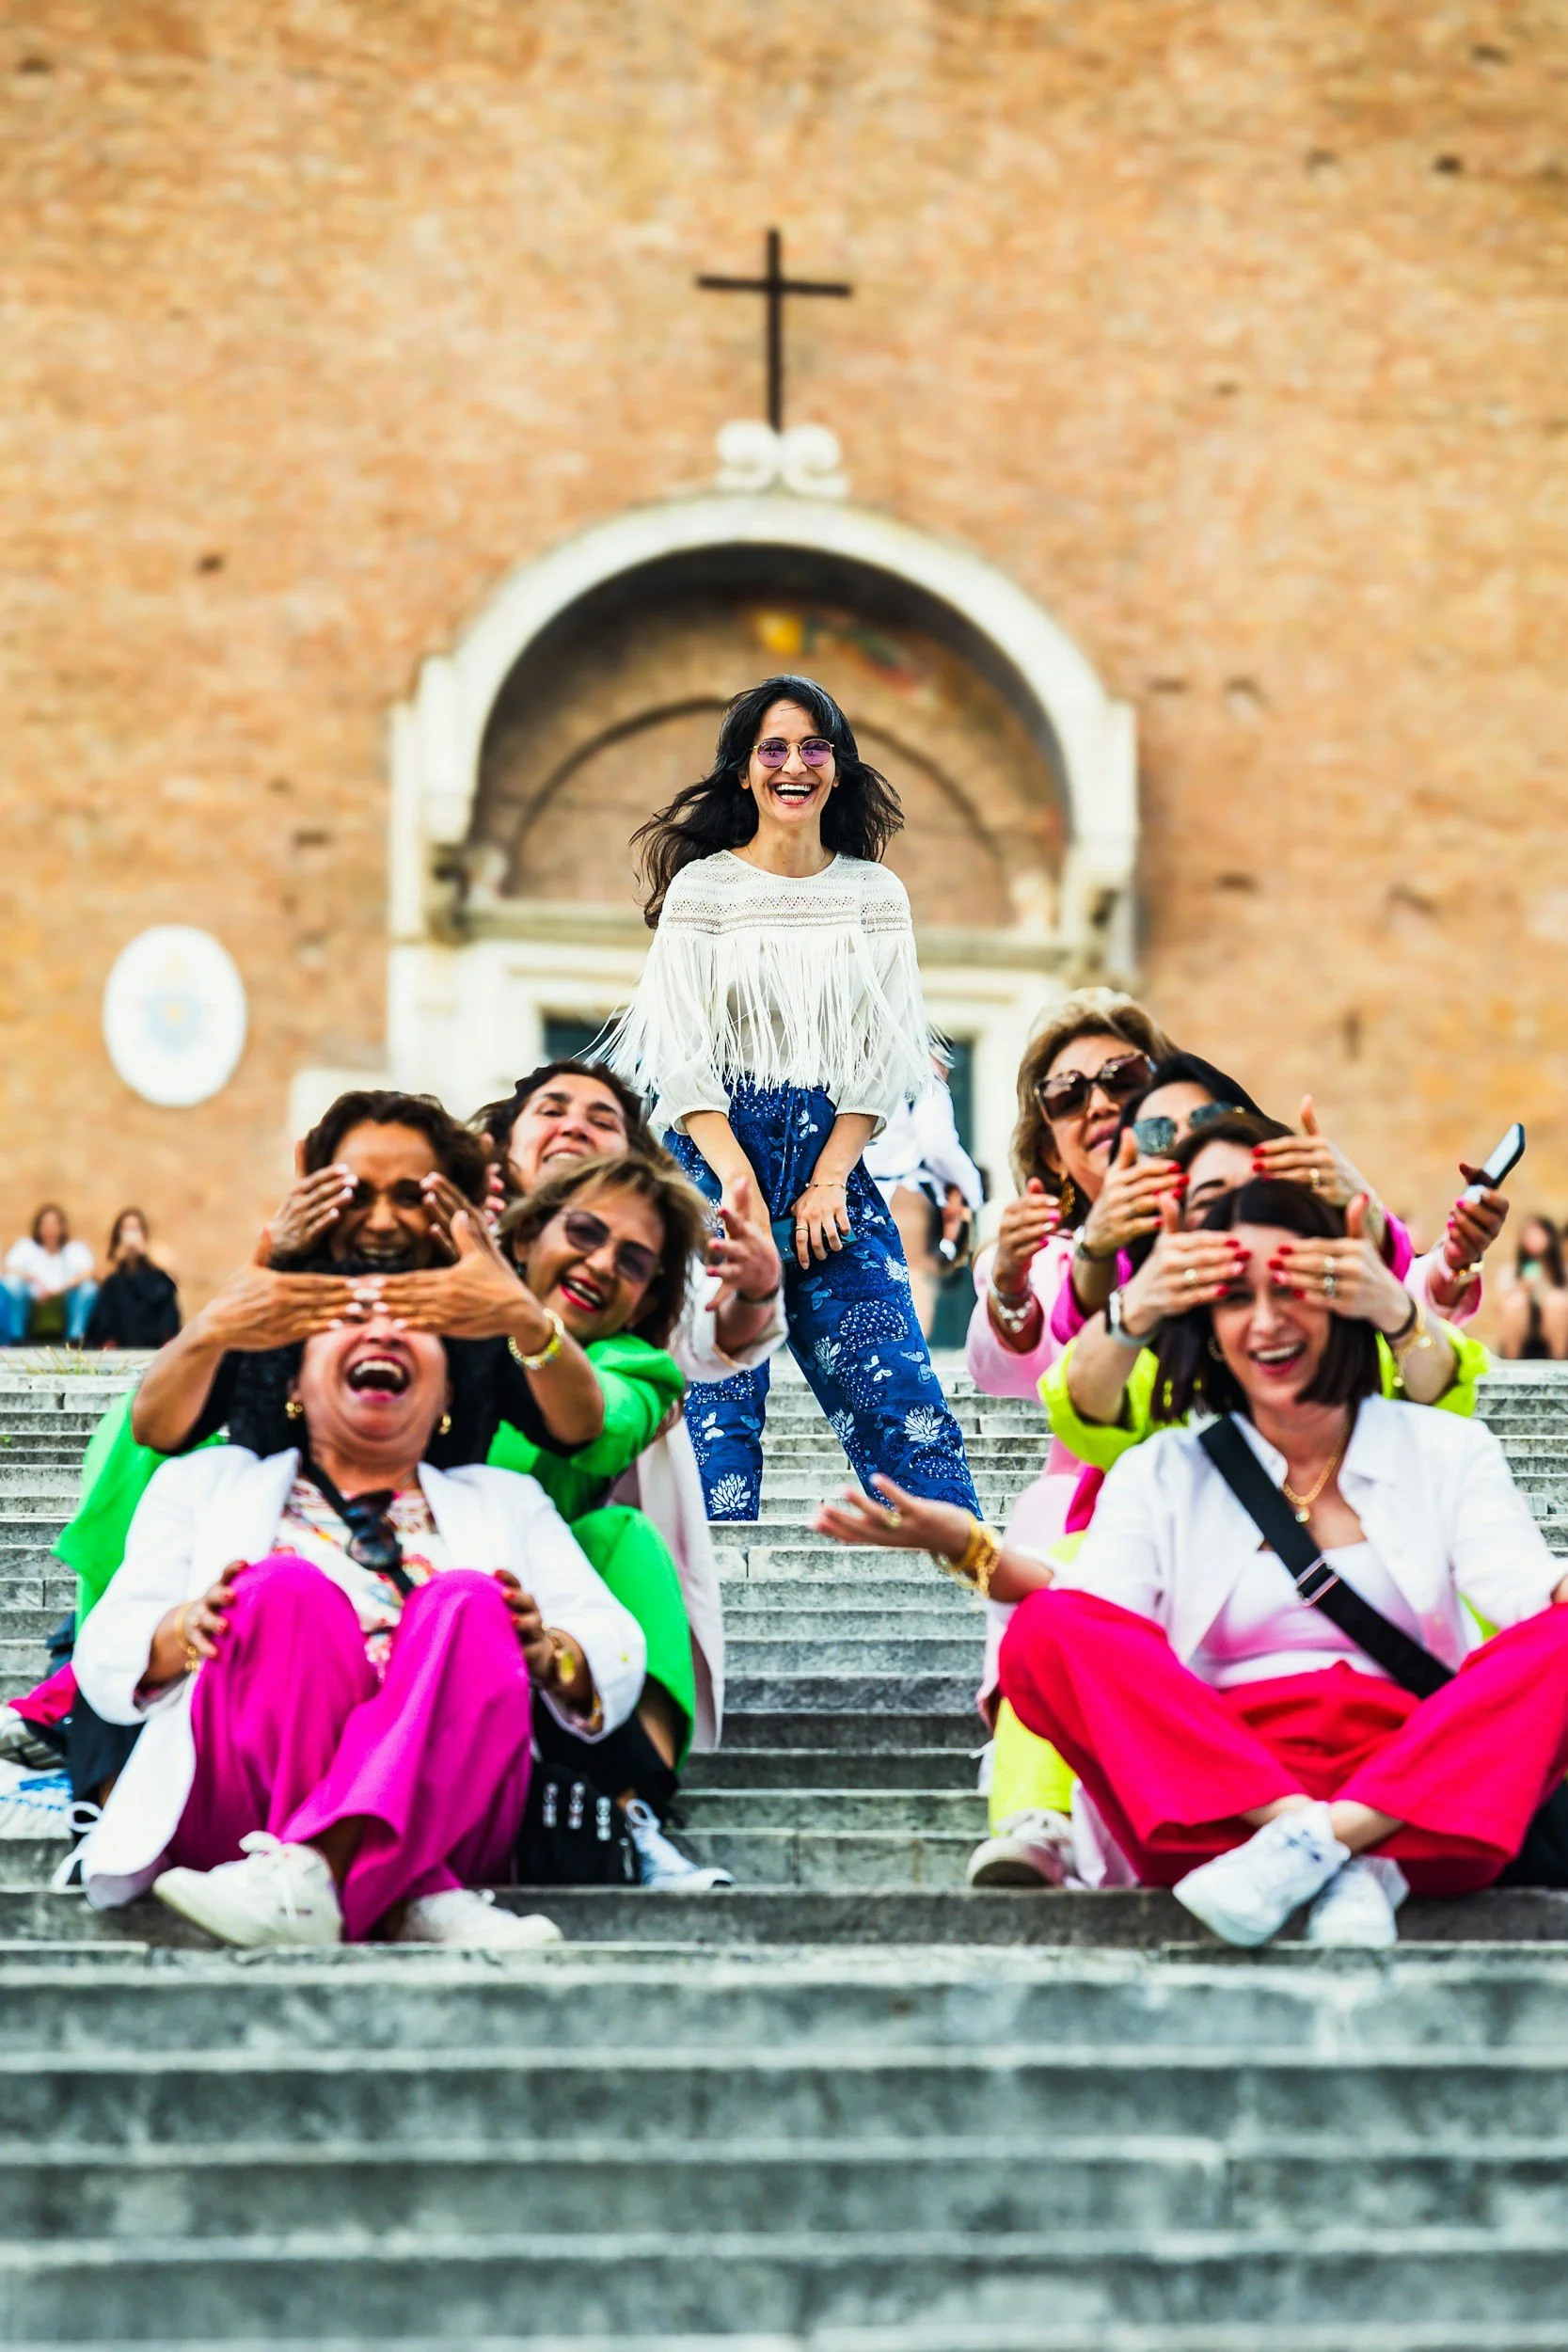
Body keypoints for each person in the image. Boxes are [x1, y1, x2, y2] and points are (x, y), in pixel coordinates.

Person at [818, 1178, 1568, 1948]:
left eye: (1291, 1290)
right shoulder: (1165, 1468)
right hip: (1218, 1800)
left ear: (1344, 1296)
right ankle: (1323, 1848)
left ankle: (1328, 1844)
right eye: (1237, 1299)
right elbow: (1084, 1616)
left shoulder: (1445, 1451)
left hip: (1415, 1786)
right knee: (1046, 1628)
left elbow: (1530, 1595)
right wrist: (962, 1544)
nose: (1268, 1323)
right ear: (1209, 1327)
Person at [72, 1303, 646, 1949]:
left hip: (458, 1811)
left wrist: (547, 1652)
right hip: (239, 1816)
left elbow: (612, 1646)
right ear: (293, 1379)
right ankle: (417, 1895)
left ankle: (315, 1877)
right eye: (350, 1316)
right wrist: (187, 1626)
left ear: (449, 1389)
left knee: (472, 1602)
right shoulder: (202, 1484)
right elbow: (104, 1653)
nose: (382, 1331)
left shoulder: (506, 1500)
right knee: (281, 1591)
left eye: (412, 1322)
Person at [607, 674, 977, 1522]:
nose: (793, 765)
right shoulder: (704, 889)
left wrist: (826, 1177)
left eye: (815, 747)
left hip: (830, 1169)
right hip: (712, 1159)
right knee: (713, 1417)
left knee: (902, 1398)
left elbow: (885, 1055)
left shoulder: (873, 894)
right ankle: (710, 1627)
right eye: (773, 748)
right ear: (744, 771)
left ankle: (957, 1587)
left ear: (837, 769)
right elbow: (682, 1054)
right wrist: (736, 1185)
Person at [474, 1057, 787, 1754]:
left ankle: (635, 1797)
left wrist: (757, 1287)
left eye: (602, 1119)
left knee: (628, 1545)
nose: (573, 1127)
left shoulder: (635, 1306)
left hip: (571, 1545)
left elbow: (709, 1332)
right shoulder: (429, 1238)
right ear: (503, 1140)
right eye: (551, 1110)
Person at [863, 1051, 984, 1337]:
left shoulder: (865, 1067)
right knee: (915, 1279)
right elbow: (937, 1143)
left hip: (850, 1190)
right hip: (902, 1194)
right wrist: (973, 1190)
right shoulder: (926, 1080)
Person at [84, 1210, 180, 1351]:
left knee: (163, 1286)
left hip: (150, 1313)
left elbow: (174, 1279)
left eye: (135, 1229)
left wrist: (145, 1252)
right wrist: (118, 1258)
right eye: (126, 1229)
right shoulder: (113, 1261)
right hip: (122, 1319)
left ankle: (166, 1340)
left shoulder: (156, 1253)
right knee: (114, 1285)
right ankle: (108, 1341)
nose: (131, 1234)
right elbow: (99, 1280)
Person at [3, 1205, 97, 1346]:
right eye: (45, 1224)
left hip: (66, 1298)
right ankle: (18, 1336)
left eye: (54, 1224)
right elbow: (7, 1269)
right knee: (11, 1283)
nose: (50, 1229)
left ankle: (75, 1337)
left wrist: (60, 1289)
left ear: (62, 1227)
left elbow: (89, 1272)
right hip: (31, 1299)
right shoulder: (25, 1247)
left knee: (89, 1287)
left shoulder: (75, 1249)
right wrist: (34, 1281)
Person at [1496, 1215, 1568, 1360]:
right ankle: (1511, 1361)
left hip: (1556, 1331)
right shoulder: (1511, 1272)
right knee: (1515, 1303)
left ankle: (1559, 1361)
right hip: (1524, 1331)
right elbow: (1501, 1306)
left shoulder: (1562, 1272)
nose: (1533, 1239)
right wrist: (1523, 1290)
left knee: (1557, 1302)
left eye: (1538, 1234)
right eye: (1529, 1235)